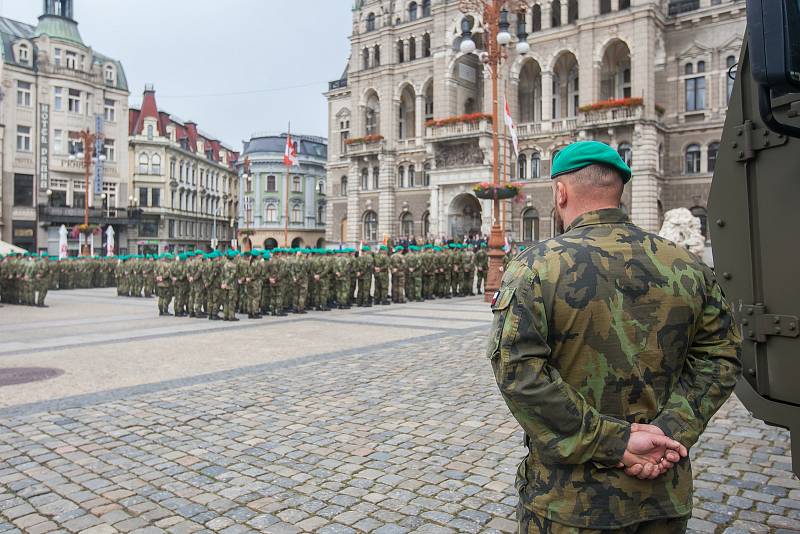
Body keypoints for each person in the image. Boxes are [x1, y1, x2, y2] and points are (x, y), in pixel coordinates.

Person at [488, 140, 742, 532]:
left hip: (570, 503)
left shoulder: (537, 267)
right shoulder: (686, 264)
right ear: (619, 192)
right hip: (661, 494)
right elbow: (722, 355)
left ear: (560, 191)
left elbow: (519, 372)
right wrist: (671, 430)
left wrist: (614, 441)